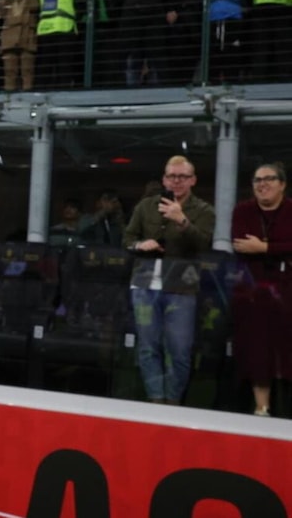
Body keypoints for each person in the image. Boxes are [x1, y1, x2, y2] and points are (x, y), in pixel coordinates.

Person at [123, 156, 216, 404]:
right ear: (164, 179)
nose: (176, 181)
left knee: (180, 350)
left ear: (193, 180)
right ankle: (156, 400)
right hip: (144, 284)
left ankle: (173, 402)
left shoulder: (204, 210)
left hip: (181, 287)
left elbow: (203, 244)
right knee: (147, 347)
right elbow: (127, 238)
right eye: (172, 176)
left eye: (182, 176)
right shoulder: (146, 206)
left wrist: (181, 219)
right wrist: (140, 244)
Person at [231, 163, 292, 417]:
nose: (262, 184)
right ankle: (261, 407)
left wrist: (264, 247)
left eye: (269, 179)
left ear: (282, 184)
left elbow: (256, 247)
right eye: (257, 180)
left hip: (287, 291)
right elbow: (240, 245)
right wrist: (280, 249)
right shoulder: (243, 210)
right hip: (252, 292)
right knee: (258, 349)